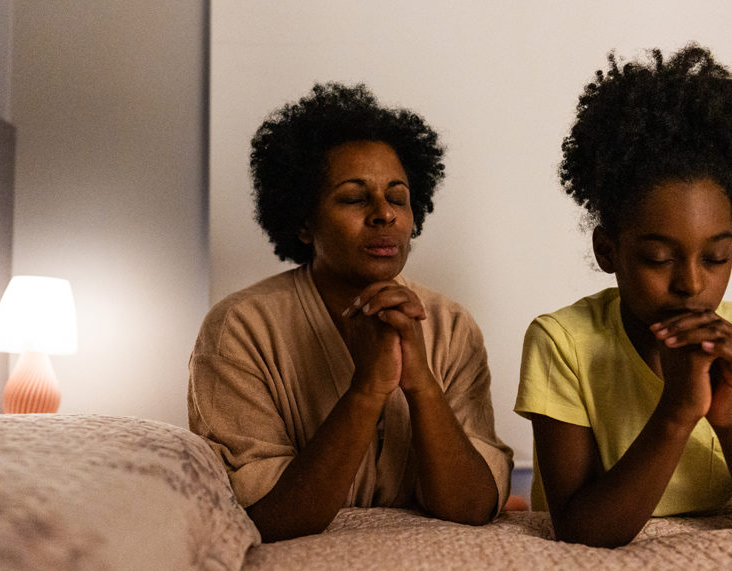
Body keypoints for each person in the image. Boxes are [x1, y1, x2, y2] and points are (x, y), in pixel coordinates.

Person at [514, 44, 732, 548]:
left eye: (716, 258)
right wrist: (678, 412)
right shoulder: (563, 342)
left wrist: (731, 417)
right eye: (659, 259)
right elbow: (579, 529)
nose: (692, 284)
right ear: (607, 250)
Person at [189, 82, 513, 542]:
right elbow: (270, 518)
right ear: (304, 221)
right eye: (354, 197)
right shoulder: (240, 328)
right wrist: (368, 389)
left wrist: (421, 384)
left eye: (398, 197)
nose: (384, 214)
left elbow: (471, 506)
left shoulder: (451, 326)